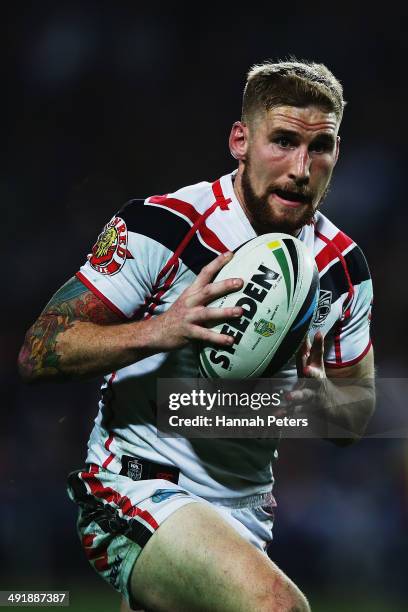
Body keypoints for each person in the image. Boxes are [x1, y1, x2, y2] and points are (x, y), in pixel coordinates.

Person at [18, 59, 375, 612]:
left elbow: (355, 415)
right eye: (282, 141)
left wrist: (317, 401)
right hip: (133, 486)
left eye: (321, 147)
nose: (301, 168)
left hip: (245, 514)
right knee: (278, 607)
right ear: (241, 140)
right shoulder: (163, 226)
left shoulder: (344, 269)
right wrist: (162, 329)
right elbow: (38, 350)